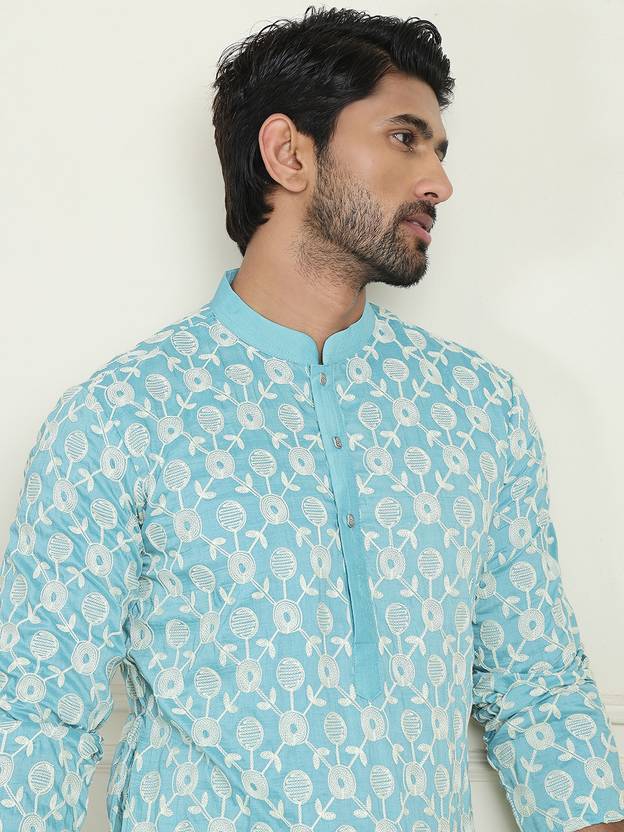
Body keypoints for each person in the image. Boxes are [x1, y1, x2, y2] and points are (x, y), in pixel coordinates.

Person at [1, 6, 622, 832]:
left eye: (439, 150)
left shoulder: (479, 409)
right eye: (405, 138)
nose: (438, 182)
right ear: (289, 153)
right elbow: (35, 716)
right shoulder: (123, 416)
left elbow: (538, 688)